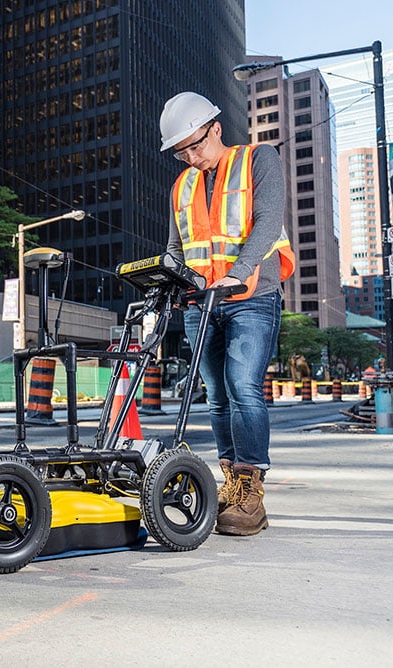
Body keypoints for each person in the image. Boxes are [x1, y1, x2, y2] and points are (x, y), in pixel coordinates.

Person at [159, 92, 295, 536]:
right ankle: (231, 483)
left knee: (243, 387)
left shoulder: (259, 158)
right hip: (203, 304)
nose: (191, 156)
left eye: (195, 145)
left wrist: (236, 274)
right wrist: (170, 283)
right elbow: (178, 246)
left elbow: (268, 221)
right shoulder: (182, 185)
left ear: (215, 128)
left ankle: (250, 490)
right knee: (216, 395)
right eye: (181, 152)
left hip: (252, 294)